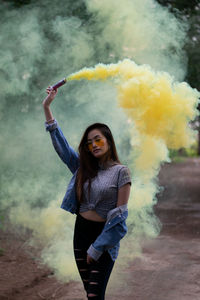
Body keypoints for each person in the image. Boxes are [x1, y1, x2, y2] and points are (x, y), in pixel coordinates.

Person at [43, 86, 131, 300]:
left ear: (109, 141)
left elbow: (120, 221)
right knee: (90, 294)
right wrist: (47, 107)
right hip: (80, 235)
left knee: (94, 295)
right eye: (90, 142)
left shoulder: (121, 172)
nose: (93, 145)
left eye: (98, 139)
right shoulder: (83, 168)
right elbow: (62, 148)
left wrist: (97, 248)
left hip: (104, 238)